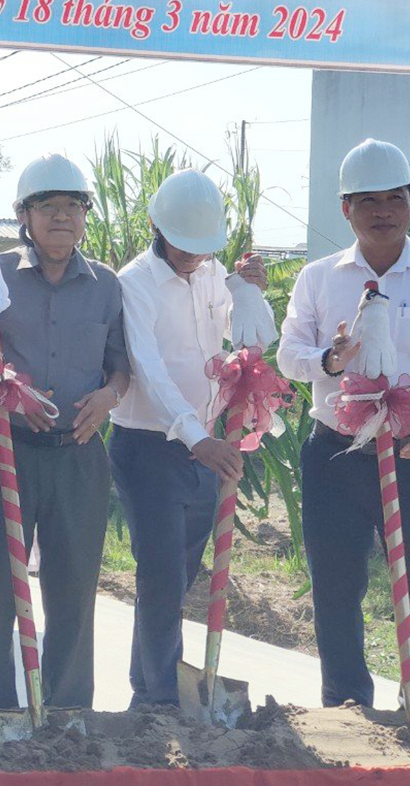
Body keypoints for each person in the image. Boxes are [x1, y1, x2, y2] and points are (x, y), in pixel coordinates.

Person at [277, 138, 410, 713]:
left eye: (395, 198)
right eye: (367, 200)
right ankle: (347, 710)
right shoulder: (318, 279)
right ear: (345, 208)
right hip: (336, 454)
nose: (383, 211)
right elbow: (289, 354)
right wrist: (330, 359)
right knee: (335, 587)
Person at [0, 153, 130, 715]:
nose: (62, 216)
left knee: (74, 592)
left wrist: (110, 396)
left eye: (73, 205)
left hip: (78, 455)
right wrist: (4, 388)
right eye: (48, 206)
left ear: (86, 214)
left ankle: (68, 713)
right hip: (7, 453)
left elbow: (120, 366)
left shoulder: (106, 286)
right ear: (24, 215)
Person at [109, 169, 268, 708]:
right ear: (156, 228)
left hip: (206, 449)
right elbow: (148, 369)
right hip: (150, 447)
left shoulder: (212, 271)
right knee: (160, 574)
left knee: (179, 575)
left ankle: (151, 683)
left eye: (204, 248)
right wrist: (198, 438)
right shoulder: (135, 283)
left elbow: (239, 334)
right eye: (184, 247)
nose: (194, 257)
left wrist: (248, 292)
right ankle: (158, 698)